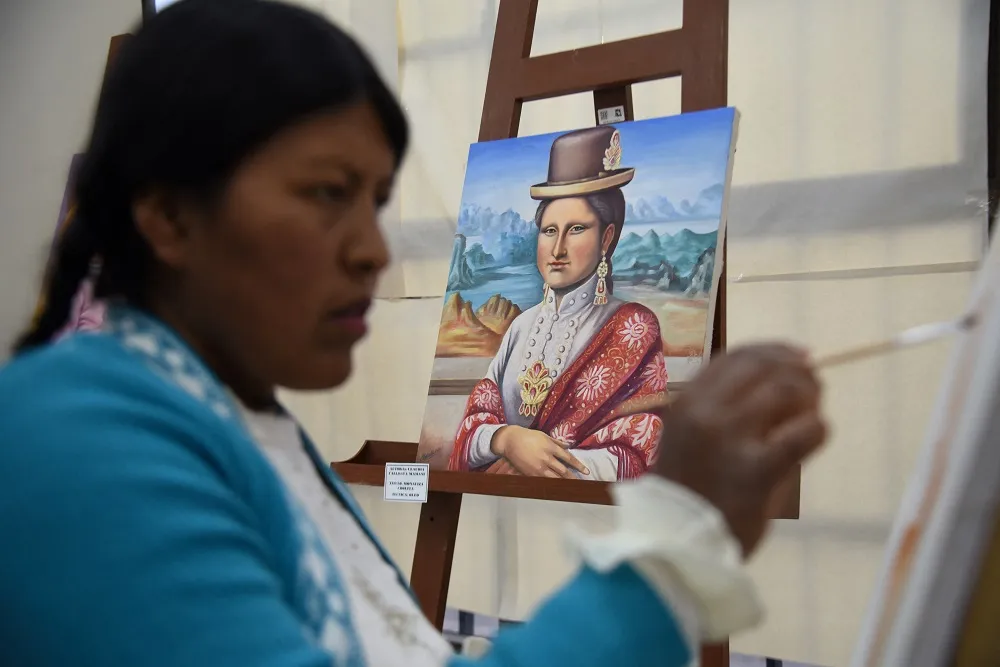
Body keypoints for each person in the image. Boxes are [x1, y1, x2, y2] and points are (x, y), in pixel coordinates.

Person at [0, 2, 827, 666]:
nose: (373, 250)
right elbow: (476, 419)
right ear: (170, 216)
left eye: (375, 201)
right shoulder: (79, 440)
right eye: (328, 194)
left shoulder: (239, 422)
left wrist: (662, 487)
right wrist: (664, 537)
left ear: (609, 237)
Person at [448, 126, 667, 482]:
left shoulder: (633, 327)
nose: (558, 248)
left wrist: (541, 463)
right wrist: (506, 440)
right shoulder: (520, 327)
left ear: (606, 238)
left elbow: (639, 451)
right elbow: (474, 422)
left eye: (576, 229)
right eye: (549, 231)